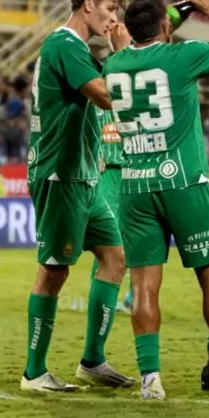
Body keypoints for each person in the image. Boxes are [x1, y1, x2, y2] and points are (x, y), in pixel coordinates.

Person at [104, 0, 209, 400]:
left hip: (135, 187)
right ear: (165, 26)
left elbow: (149, 33)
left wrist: (176, 11)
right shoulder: (181, 56)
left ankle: (150, 381)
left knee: (143, 287)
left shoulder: (115, 62)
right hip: (184, 184)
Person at [21, 0, 132, 393]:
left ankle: (92, 361)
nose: (111, 19)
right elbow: (106, 95)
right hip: (60, 174)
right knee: (54, 271)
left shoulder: (77, 49)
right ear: (87, 3)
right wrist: (124, 55)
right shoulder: (63, 45)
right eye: (108, 8)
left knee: (114, 258)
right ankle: (34, 372)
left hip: (84, 174)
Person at [90, 105, 133, 314]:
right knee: (107, 239)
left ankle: (134, 296)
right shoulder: (96, 104)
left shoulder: (133, 98)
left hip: (135, 171)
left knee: (138, 235)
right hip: (108, 172)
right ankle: (99, 295)